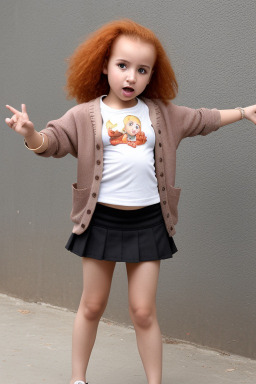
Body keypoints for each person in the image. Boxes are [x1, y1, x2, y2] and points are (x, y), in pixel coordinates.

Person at [4, 19, 256, 384]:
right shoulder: (85, 115)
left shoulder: (161, 114)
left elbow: (204, 119)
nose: (130, 76)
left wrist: (244, 112)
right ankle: (78, 379)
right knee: (91, 306)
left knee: (142, 311)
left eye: (142, 70)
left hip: (149, 222)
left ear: (151, 76)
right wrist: (30, 133)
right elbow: (52, 143)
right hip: (100, 220)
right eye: (122, 65)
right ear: (104, 65)